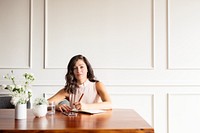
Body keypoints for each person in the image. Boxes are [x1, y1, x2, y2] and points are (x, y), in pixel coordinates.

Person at [48, 54, 112, 112]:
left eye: (81, 67)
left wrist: (86, 106)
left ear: (87, 69)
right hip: (75, 122)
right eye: (75, 68)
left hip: (94, 122)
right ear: (72, 72)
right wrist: (56, 107)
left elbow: (109, 104)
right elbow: (45, 103)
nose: (78, 71)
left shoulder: (97, 85)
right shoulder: (69, 89)